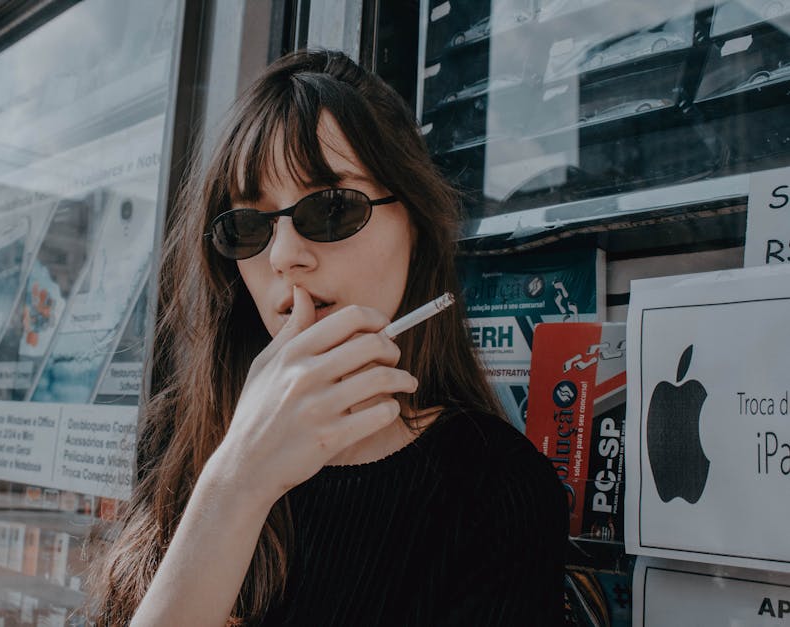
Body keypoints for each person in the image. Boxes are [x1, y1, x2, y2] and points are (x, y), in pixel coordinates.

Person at [87, 49, 567, 626]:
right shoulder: (177, 437)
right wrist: (238, 480)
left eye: (333, 208)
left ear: (413, 221)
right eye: (248, 225)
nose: (285, 257)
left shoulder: (496, 491)